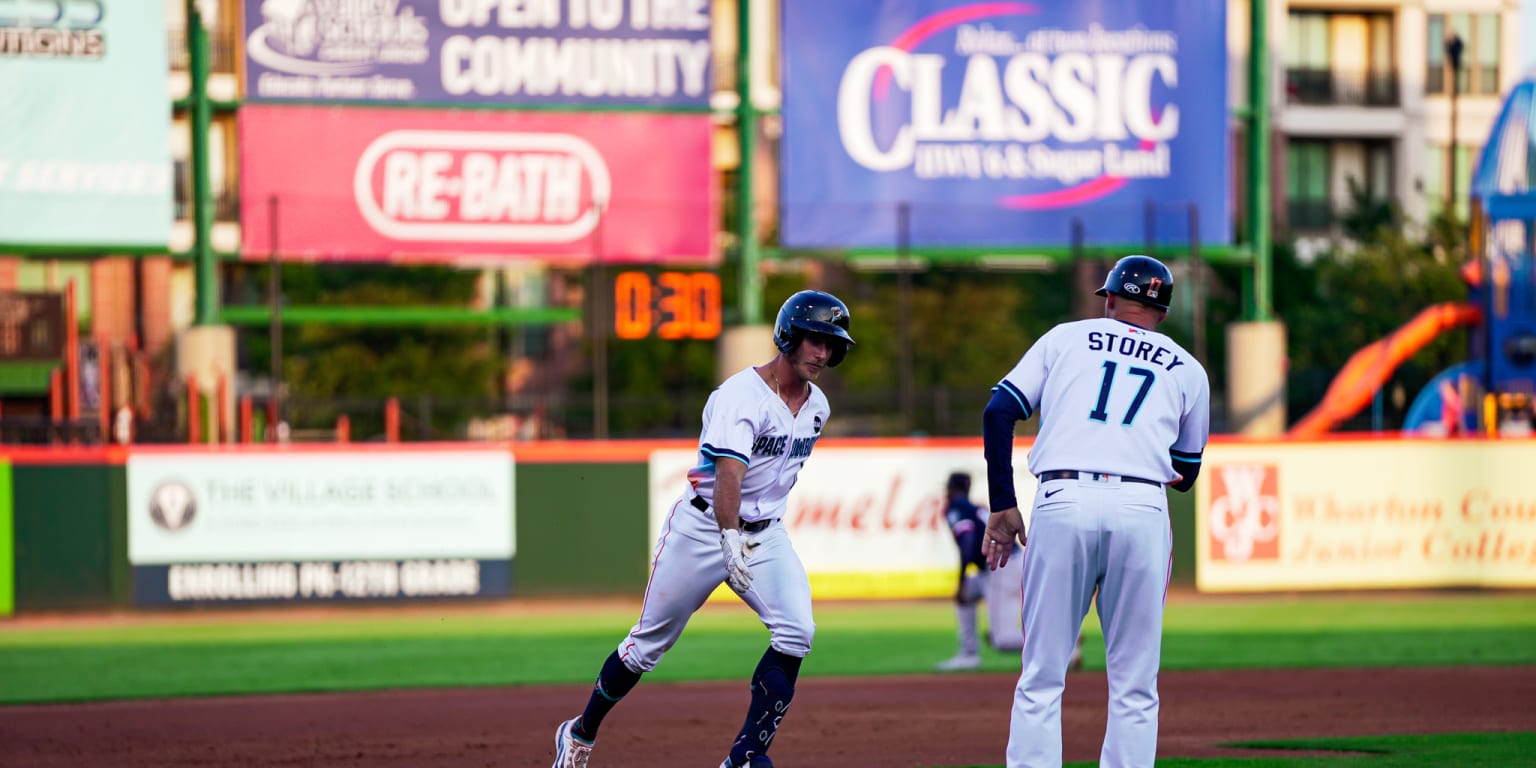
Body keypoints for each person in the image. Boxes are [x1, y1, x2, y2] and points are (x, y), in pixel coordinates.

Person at [552, 290, 856, 768]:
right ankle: (580, 732)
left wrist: (748, 537)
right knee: (646, 645)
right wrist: (728, 536)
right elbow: (730, 473)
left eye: (831, 344)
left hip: (766, 533)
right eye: (814, 340)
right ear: (788, 337)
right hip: (702, 527)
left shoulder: (818, 406)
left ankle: (745, 754)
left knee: (797, 631)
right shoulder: (740, 395)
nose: (822, 353)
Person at [981, 255, 1209, 767]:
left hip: (1064, 500)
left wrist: (1003, 505)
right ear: (1164, 313)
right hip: (1141, 506)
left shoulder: (1065, 338)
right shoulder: (1188, 368)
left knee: (1041, 674)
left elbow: (999, 411)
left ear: (1108, 299)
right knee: (1134, 684)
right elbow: (1187, 472)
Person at [935, 471, 1078, 672]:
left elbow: (967, 540)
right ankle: (969, 654)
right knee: (966, 595)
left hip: (1000, 565)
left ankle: (1061, 646)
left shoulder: (955, 508)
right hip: (1009, 562)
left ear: (951, 488)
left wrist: (961, 579)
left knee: (1003, 640)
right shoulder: (976, 508)